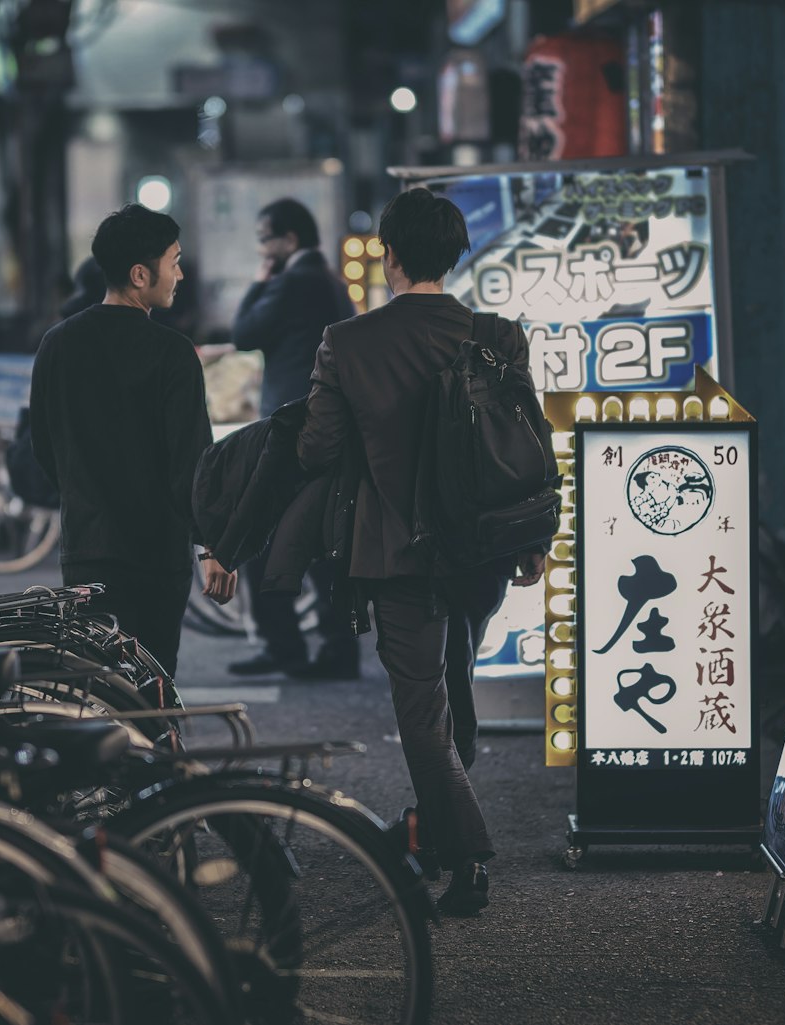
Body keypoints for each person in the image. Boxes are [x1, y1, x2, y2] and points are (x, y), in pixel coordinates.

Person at [297, 187, 546, 916]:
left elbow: (318, 448)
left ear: (389, 254)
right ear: (457, 252)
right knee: (455, 687)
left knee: (424, 713)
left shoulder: (348, 343)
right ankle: (429, 833)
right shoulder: (498, 336)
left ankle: (465, 858)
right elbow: (528, 441)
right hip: (482, 550)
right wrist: (533, 539)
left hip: (397, 553)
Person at [29, 203, 236, 679]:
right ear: (141, 274)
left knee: (95, 688)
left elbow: (43, 445)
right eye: (174, 261)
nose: (179, 274)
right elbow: (193, 463)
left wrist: (84, 496)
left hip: (85, 549)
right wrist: (213, 545)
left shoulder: (57, 344)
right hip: (154, 555)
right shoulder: (172, 353)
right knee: (151, 686)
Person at [228, 197, 359, 679]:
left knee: (258, 535)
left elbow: (244, 333)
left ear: (288, 240)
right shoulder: (331, 282)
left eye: (266, 238)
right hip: (331, 426)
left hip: (291, 428)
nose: (263, 247)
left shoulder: (291, 282)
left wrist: (259, 281)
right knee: (324, 542)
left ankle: (285, 644)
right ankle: (335, 648)